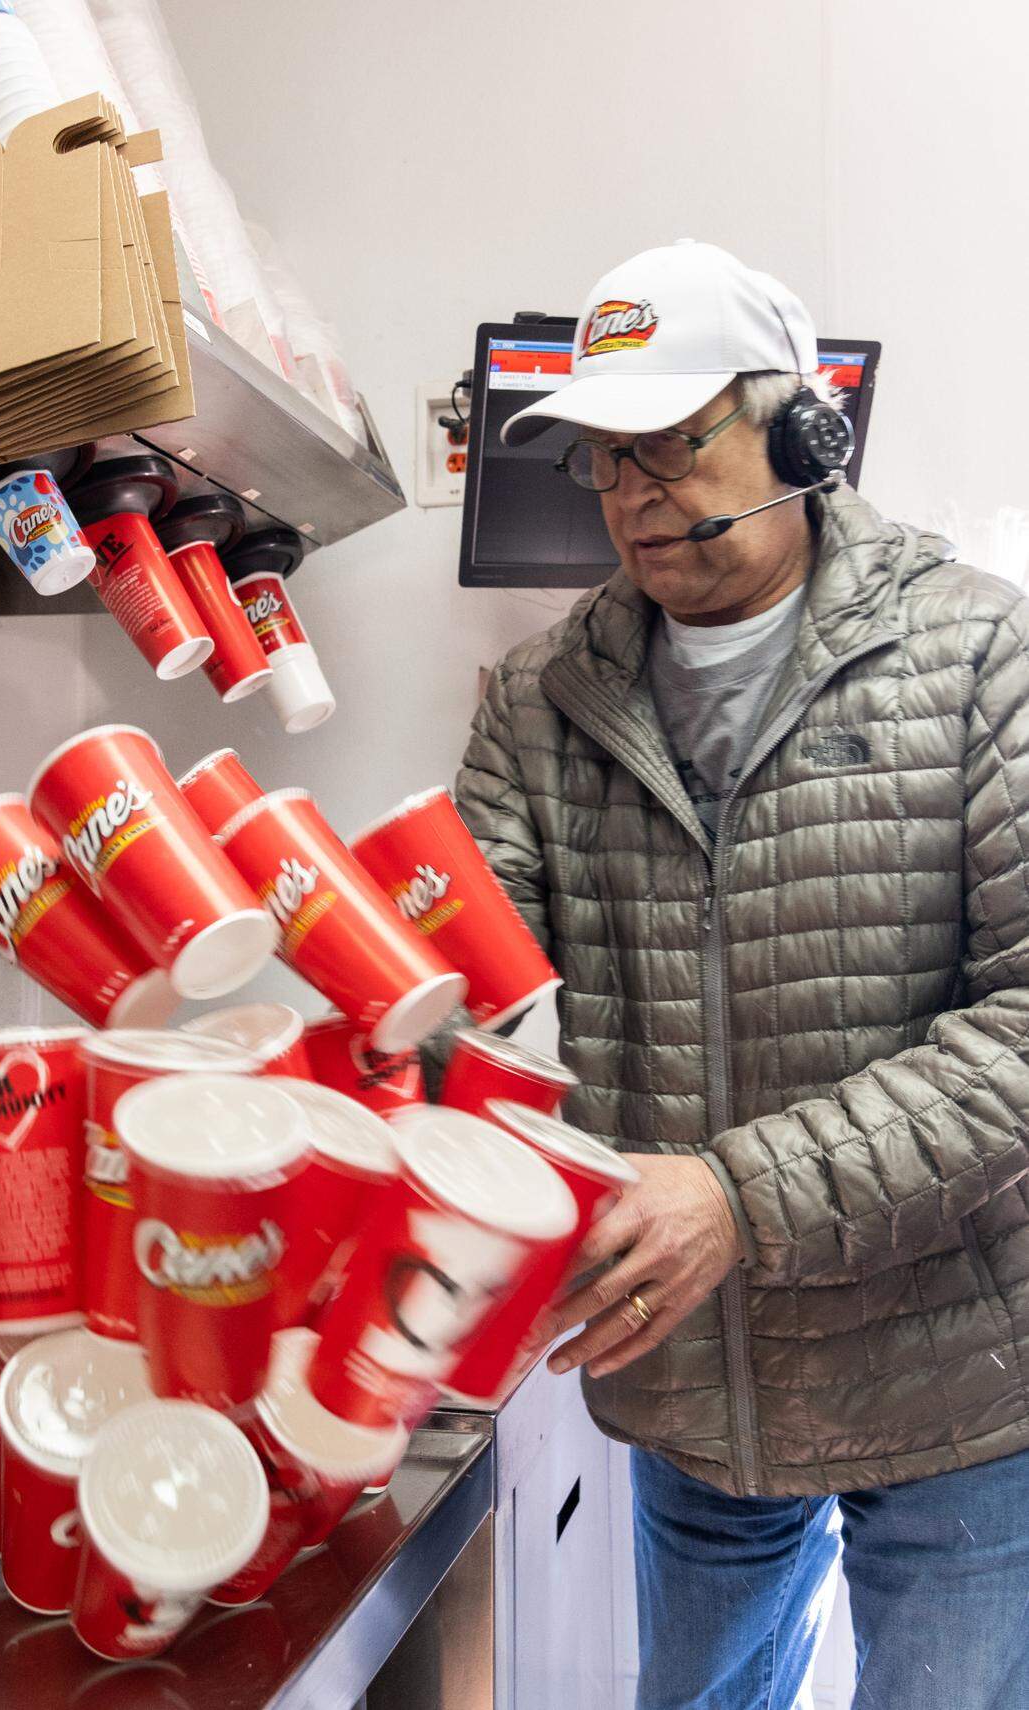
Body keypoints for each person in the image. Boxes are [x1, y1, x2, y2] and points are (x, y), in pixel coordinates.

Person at [453, 240, 1029, 1710]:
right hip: (696, 1386)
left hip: (958, 1379)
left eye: (670, 443)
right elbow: (484, 994)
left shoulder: (982, 654)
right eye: (603, 458)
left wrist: (736, 1197)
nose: (633, 491)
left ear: (805, 433)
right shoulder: (537, 699)